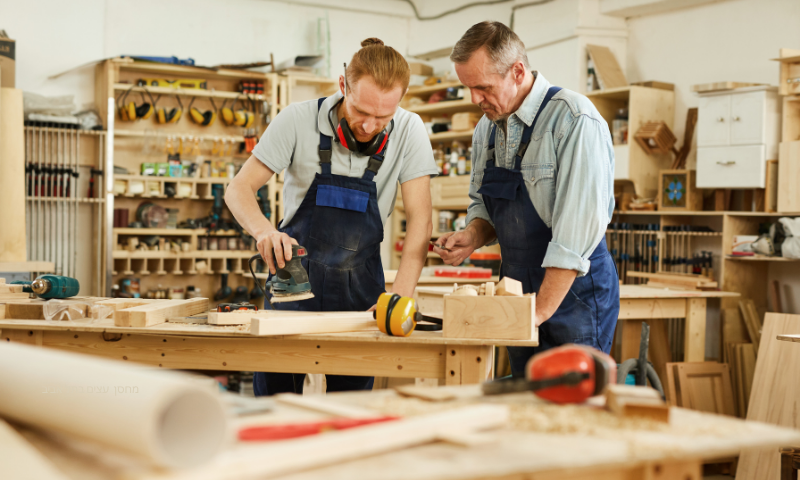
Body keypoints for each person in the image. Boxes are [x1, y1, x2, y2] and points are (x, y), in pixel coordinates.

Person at [225, 38, 437, 395]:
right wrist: (263, 231)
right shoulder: (297, 119)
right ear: (342, 87)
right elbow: (238, 189)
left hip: (362, 294)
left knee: (351, 407)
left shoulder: (410, 129)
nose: (370, 126)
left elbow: (420, 219)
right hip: (294, 283)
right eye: (361, 112)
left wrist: (402, 293)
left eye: (383, 117)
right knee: (277, 405)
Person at [434, 21, 619, 376]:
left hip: (575, 293)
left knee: (574, 405)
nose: (474, 99)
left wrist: (539, 312)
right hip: (517, 290)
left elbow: (575, 234)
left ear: (517, 71)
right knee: (526, 397)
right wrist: (472, 235)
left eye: (483, 87)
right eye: (468, 88)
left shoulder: (574, 119)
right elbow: (484, 205)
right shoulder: (486, 129)